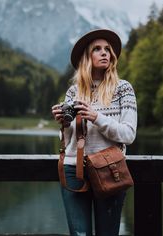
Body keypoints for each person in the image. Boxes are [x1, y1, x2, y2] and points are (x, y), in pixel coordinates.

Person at [52, 29, 137, 236]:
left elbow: (128, 134)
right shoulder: (74, 91)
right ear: (87, 57)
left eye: (108, 49)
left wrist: (95, 116)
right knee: (79, 234)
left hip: (109, 168)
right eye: (97, 49)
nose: (104, 53)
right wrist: (64, 123)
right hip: (74, 168)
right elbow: (71, 139)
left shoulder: (123, 88)